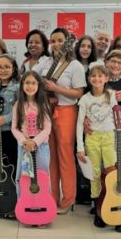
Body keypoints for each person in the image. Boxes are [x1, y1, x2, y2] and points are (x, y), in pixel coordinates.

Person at [41, 28, 86, 214]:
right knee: (49, 155)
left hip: (66, 111)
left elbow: (79, 93)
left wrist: (56, 88)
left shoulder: (75, 65)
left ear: (68, 43)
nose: (57, 44)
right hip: (46, 111)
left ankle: (68, 198)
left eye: (60, 40)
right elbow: (31, 79)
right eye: (53, 41)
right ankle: (51, 196)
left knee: (65, 156)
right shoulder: (46, 62)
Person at [76, 65, 121, 232]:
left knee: (113, 172)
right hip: (92, 138)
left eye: (100, 76)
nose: (97, 79)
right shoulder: (84, 99)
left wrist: (120, 141)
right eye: (93, 76)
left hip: (110, 137)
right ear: (89, 79)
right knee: (95, 173)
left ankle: (117, 205)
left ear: (106, 78)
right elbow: (79, 123)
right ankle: (98, 207)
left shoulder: (112, 95)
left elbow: (117, 117)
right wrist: (80, 147)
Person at [11, 71, 52, 195]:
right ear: (22, 84)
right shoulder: (18, 105)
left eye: (33, 83)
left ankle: (43, 204)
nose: (30, 86)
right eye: (27, 83)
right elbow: (14, 128)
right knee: (23, 177)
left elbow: (47, 128)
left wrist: (35, 142)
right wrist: (25, 141)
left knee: (43, 176)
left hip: (41, 147)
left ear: (38, 85)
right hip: (24, 147)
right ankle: (23, 205)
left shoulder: (43, 104)